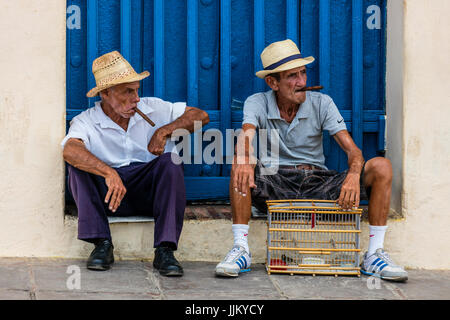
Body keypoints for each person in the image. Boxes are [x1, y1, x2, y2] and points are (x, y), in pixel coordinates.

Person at [215, 39, 408, 282]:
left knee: (381, 166)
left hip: (319, 182)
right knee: (240, 164)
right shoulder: (257, 102)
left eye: (303, 73)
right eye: (292, 76)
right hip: (277, 183)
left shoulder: (322, 103)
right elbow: (247, 133)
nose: (302, 82)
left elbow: (353, 151)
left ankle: (374, 253)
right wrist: (243, 158)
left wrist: (352, 175)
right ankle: (241, 248)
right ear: (272, 82)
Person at [62, 51, 209, 276]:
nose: (136, 99)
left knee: (171, 161)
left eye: (137, 90)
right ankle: (101, 244)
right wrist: (108, 172)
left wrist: (163, 131)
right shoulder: (87, 120)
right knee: (77, 167)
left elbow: (201, 115)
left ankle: (165, 250)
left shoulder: (154, 108)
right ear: (105, 93)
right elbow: (70, 149)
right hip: (109, 197)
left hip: (147, 194)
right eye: (127, 92)